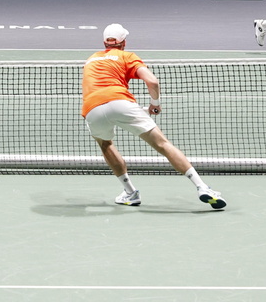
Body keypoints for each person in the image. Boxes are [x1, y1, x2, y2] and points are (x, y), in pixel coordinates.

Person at [82, 23, 226, 209]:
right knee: (163, 144)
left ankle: (130, 193)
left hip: (91, 107)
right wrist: (155, 104)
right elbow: (152, 81)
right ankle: (202, 187)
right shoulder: (127, 56)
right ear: (123, 42)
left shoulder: (91, 59)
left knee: (106, 144)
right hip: (120, 100)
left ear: (105, 42)